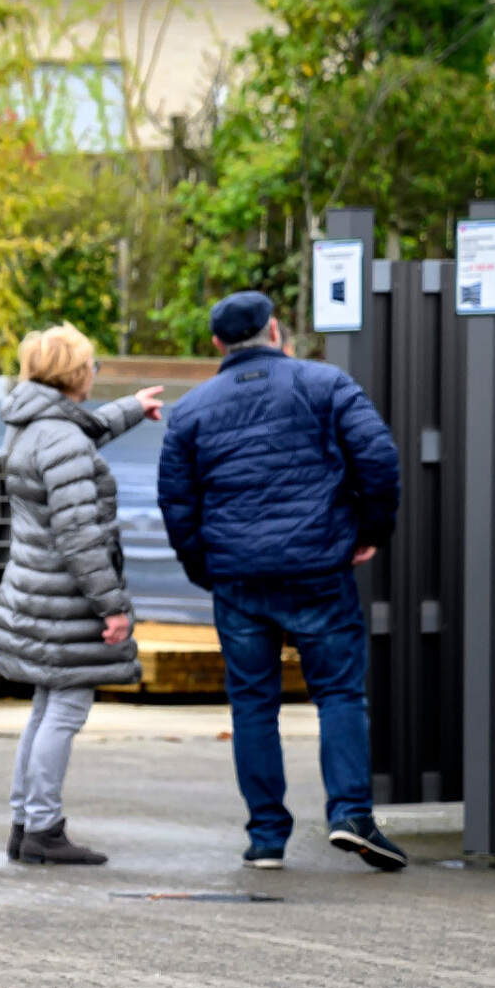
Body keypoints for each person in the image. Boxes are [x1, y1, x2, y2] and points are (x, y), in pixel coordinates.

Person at [153, 290, 408, 872]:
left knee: (252, 706)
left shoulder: (190, 411)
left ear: (218, 343)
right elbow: (379, 459)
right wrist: (370, 533)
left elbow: (176, 505)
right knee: (339, 694)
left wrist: (206, 569)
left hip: (239, 581)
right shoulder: (326, 385)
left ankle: (266, 837)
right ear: (274, 331)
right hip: (318, 570)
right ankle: (350, 815)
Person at [0, 324, 163, 866]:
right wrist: (112, 606)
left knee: (45, 707)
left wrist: (131, 408)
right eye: (91, 365)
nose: (95, 373)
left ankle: (26, 822)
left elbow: (82, 429)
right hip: (65, 600)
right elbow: (79, 533)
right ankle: (44, 827)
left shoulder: (31, 424)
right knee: (64, 710)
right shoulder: (61, 438)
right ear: (72, 372)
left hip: (34, 591)